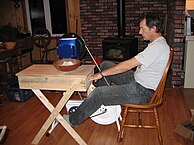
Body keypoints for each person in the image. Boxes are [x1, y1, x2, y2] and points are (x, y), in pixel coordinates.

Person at [64, 12, 170, 127]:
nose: (140, 32)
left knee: (98, 93)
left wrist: (100, 74)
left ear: (153, 28)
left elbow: (127, 65)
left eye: (142, 29)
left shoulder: (157, 47)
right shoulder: (158, 43)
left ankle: (73, 120)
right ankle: (99, 102)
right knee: (105, 64)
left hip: (143, 92)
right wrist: (103, 72)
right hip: (137, 81)